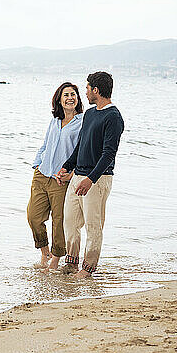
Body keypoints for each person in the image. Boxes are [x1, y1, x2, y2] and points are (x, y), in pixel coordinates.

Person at [56, 71, 124, 279]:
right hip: (79, 176)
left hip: (98, 179)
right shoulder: (91, 113)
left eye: (87, 88)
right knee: (70, 222)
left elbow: (109, 154)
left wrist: (91, 179)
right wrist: (67, 166)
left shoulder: (113, 117)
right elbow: (81, 145)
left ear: (96, 90)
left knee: (94, 226)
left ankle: (88, 268)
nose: (84, 92)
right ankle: (71, 262)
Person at [28, 82, 84, 271]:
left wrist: (73, 173)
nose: (70, 98)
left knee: (59, 221)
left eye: (73, 94)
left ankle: (56, 259)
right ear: (59, 99)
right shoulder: (54, 121)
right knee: (33, 217)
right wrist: (37, 163)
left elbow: (82, 152)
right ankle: (44, 251)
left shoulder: (82, 123)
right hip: (41, 174)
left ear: (77, 98)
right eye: (66, 95)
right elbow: (45, 145)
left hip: (61, 179)